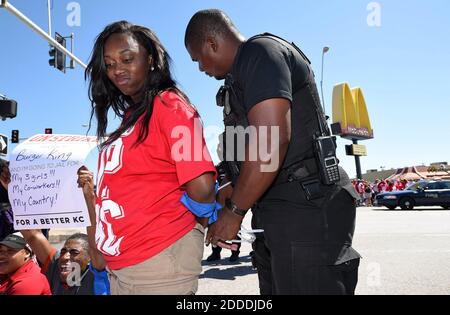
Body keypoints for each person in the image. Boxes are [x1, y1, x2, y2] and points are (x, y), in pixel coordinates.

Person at [185, 9, 361, 295]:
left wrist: (233, 213)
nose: (200, 68)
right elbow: (236, 147)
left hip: (307, 205)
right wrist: (229, 183)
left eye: (197, 59)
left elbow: (271, 141)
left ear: (211, 43)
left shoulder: (260, 53)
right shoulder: (234, 82)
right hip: (276, 209)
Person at [84, 21, 217, 295]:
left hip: (158, 263)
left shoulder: (170, 105)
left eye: (127, 59)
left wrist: (192, 228)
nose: (116, 69)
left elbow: (202, 187)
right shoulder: (133, 116)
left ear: (151, 59)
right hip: (123, 266)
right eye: (108, 64)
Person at [0, 166, 110, 295]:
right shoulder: (55, 268)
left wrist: (89, 196)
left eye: (74, 252)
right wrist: (14, 192)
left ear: (90, 258)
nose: (65, 257)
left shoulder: (96, 274)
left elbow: (95, 242)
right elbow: (33, 236)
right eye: (63, 251)